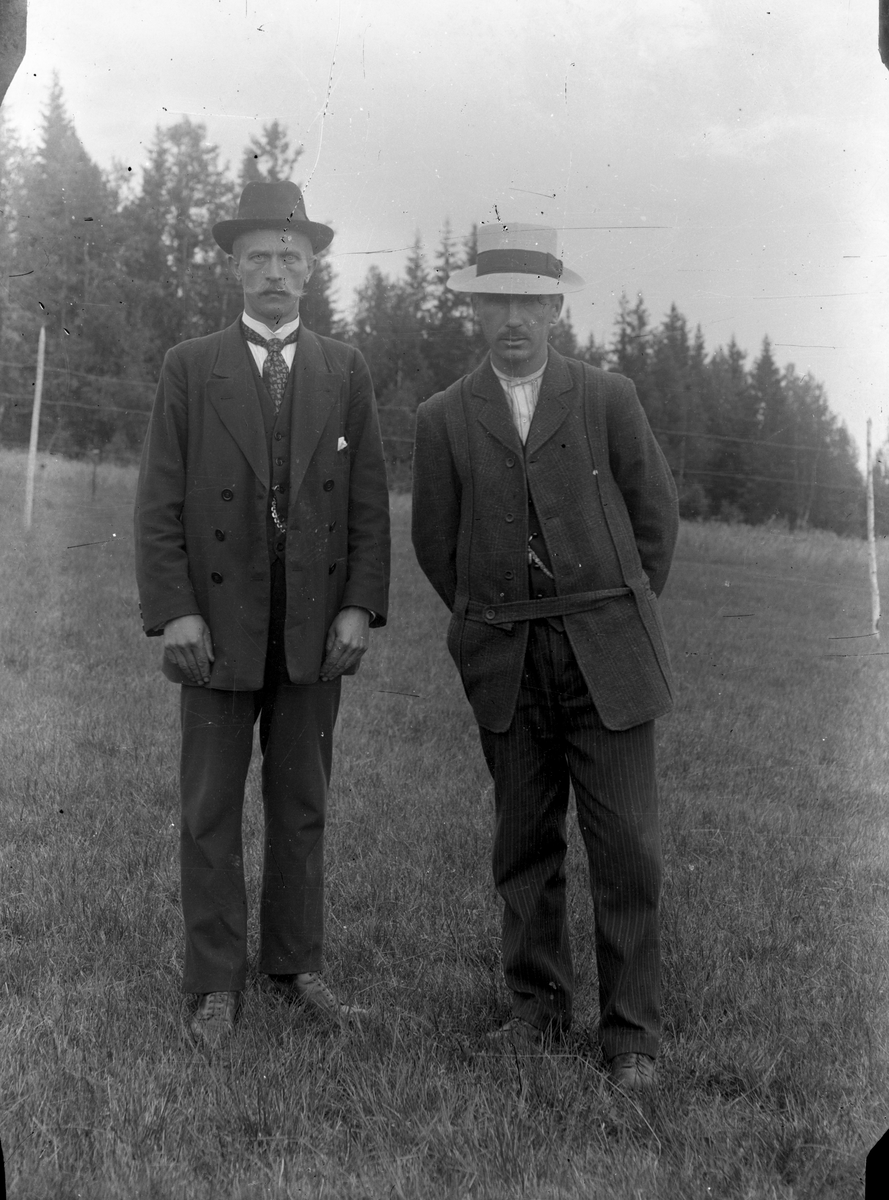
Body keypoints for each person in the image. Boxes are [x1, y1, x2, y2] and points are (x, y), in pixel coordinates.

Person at [411, 222, 678, 1091]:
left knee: (627, 844)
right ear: (474, 312)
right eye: (497, 303)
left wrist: (611, 613)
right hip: (505, 655)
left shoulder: (607, 397)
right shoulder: (444, 418)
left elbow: (655, 523)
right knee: (523, 842)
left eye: (530, 301)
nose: (514, 319)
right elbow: (435, 545)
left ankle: (630, 1033)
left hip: (607, 649)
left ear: (557, 307)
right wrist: (493, 624)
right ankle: (535, 1013)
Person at [134, 180, 390, 1046]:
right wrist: (175, 613)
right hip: (216, 625)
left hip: (314, 627)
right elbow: (159, 502)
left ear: (312, 270)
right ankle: (214, 982)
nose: (274, 272)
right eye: (258, 259)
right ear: (233, 270)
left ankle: (294, 966)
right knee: (210, 807)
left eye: (289, 258)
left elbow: (365, 506)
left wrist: (359, 605)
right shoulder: (189, 366)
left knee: (301, 800)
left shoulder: (344, 369)